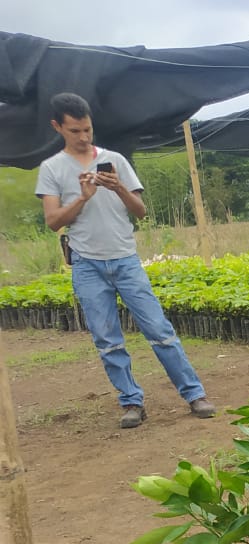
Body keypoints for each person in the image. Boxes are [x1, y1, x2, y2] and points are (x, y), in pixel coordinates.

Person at [35, 92, 216, 430]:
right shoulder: (52, 169)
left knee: (159, 330)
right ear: (57, 127)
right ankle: (131, 401)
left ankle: (195, 394)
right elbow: (53, 221)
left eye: (87, 129)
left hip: (126, 260)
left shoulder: (114, 159)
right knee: (107, 340)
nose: (84, 137)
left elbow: (140, 211)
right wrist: (83, 198)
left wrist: (118, 187)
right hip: (87, 265)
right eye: (75, 131)